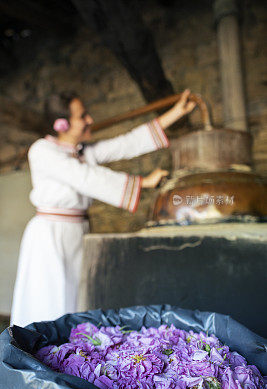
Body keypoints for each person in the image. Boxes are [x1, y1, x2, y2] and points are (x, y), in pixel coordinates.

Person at [10, 89, 196, 327]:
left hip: (78, 232)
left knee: (76, 299)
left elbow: (127, 144)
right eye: (83, 116)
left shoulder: (84, 152)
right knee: (48, 298)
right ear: (61, 124)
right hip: (50, 235)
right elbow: (85, 177)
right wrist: (143, 181)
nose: (90, 120)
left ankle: (71, 352)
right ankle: (36, 352)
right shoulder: (42, 150)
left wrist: (176, 113)